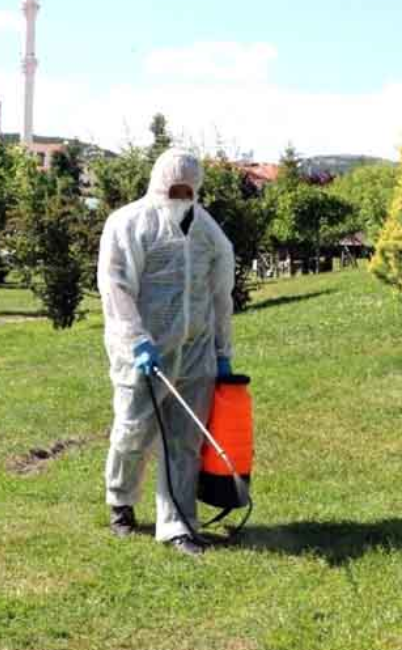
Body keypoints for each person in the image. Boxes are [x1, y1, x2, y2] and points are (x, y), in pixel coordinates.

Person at [97, 148, 236, 555]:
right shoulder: (128, 224)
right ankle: (121, 501)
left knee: (185, 440)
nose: (179, 195)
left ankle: (177, 524)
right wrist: (136, 339)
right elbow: (116, 287)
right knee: (134, 429)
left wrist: (222, 352)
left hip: (196, 352)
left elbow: (220, 296)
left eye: (187, 189)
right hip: (143, 352)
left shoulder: (210, 234)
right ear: (158, 183)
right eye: (173, 188)